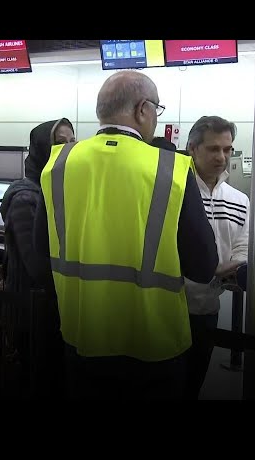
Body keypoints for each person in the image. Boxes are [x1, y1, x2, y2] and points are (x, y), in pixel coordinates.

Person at [33, 70, 219, 400]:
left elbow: (39, 251)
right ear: (142, 109)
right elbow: (203, 266)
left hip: (81, 340)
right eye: (157, 111)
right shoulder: (170, 168)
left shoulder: (58, 164)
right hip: (154, 348)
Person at [1, 117, 75, 397]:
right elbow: (36, 264)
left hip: (52, 305)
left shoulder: (55, 191)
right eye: (60, 143)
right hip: (31, 308)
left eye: (71, 141)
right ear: (44, 149)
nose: (68, 148)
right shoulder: (25, 198)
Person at [183, 115, 249, 400]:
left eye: (227, 149)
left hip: (209, 308)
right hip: (169, 307)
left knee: (194, 382)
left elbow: (243, 250)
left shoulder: (238, 200)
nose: (221, 156)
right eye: (213, 149)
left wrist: (230, 268)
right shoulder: (174, 193)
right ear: (192, 148)